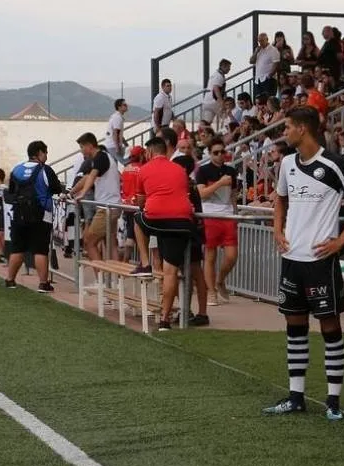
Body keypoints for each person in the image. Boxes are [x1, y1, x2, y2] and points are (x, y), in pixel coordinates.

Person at [262, 106, 344, 420]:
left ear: (303, 129)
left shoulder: (334, 164)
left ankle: (333, 401)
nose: (285, 133)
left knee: (330, 327)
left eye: (288, 127)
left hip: (320, 260)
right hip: (292, 259)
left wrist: (341, 240)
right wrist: (277, 228)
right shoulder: (286, 163)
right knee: (294, 326)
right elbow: (280, 198)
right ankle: (296, 397)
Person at [131, 137, 209, 330]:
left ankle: (145, 263)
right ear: (166, 151)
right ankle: (165, 320)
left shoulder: (144, 170)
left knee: (137, 219)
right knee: (170, 271)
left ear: (149, 152)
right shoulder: (180, 170)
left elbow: (141, 203)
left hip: (157, 218)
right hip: (182, 221)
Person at [3, 141, 65, 292]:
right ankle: (43, 283)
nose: (47, 156)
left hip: (18, 214)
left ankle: (10, 280)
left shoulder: (17, 169)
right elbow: (57, 188)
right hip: (41, 215)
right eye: (45, 152)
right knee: (40, 250)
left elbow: (11, 191)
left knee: (17, 248)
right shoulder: (45, 170)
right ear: (39, 153)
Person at [196, 137, 239, 305]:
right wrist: (220, 183)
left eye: (223, 152)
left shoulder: (231, 171)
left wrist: (235, 213)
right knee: (210, 256)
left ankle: (220, 280)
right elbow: (201, 194)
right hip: (210, 215)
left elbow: (234, 194)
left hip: (227, 215)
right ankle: (211, 292)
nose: (220, 155)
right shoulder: (203, 171)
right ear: (210, 153)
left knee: (232, 256)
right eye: (216, 152)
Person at [71, 132, 121, 263]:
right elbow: (87, 177)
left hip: (106, 208)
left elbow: (92, 176)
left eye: (82, 147)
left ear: (89, 145)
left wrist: (82, 193)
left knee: (89, 242)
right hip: (111, 206)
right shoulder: (100, 158)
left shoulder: (100, 157)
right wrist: (72, 191)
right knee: (110, 243)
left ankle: (101, 278)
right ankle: (113, 279)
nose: (82, 151)